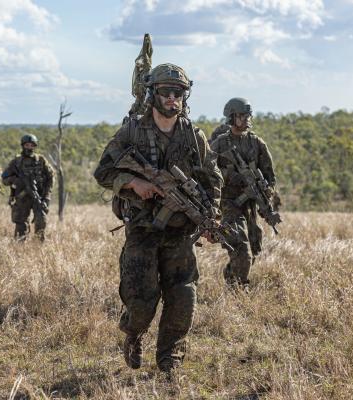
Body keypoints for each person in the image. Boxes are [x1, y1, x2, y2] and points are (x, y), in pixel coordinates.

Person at [93, 64, 222, 373]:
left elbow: (211, 178)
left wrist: (210, 215)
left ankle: (169, 358)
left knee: (183, 298)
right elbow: (103, 172)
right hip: (142, 229)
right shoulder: (133, 130)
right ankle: (134, 334)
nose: (172, 99)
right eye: (166, 92)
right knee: (141, 300)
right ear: (153, 94)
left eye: (178, 93)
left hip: (180, 232)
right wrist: (133, 184)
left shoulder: (193, 135)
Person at [210, 98, 277, 287]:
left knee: (255, 249)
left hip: (250, 204)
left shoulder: (256, 143)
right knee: (241, 249)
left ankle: (232, 276)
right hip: (229, 203)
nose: (247, 119)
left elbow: (270, 176)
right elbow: (205, 171)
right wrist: (229, 176)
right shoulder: (220, 144)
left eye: (248, 115)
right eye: (242, 115)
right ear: (232, 117)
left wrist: (266, 193)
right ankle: (240, 288)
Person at [1, 134, 54, 241]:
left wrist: (47, 196)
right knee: (21, 224)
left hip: (38, 196)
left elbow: (51, 177)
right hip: (22, 198)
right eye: (27, 145)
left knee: (41, 220)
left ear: (35, 146)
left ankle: (38, 246)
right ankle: (19, 248)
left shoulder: (41, 160)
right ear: (23, 146)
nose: (29, 148)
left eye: (31, 145)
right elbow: (4, 179)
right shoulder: (16, 162)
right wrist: (16, 181)